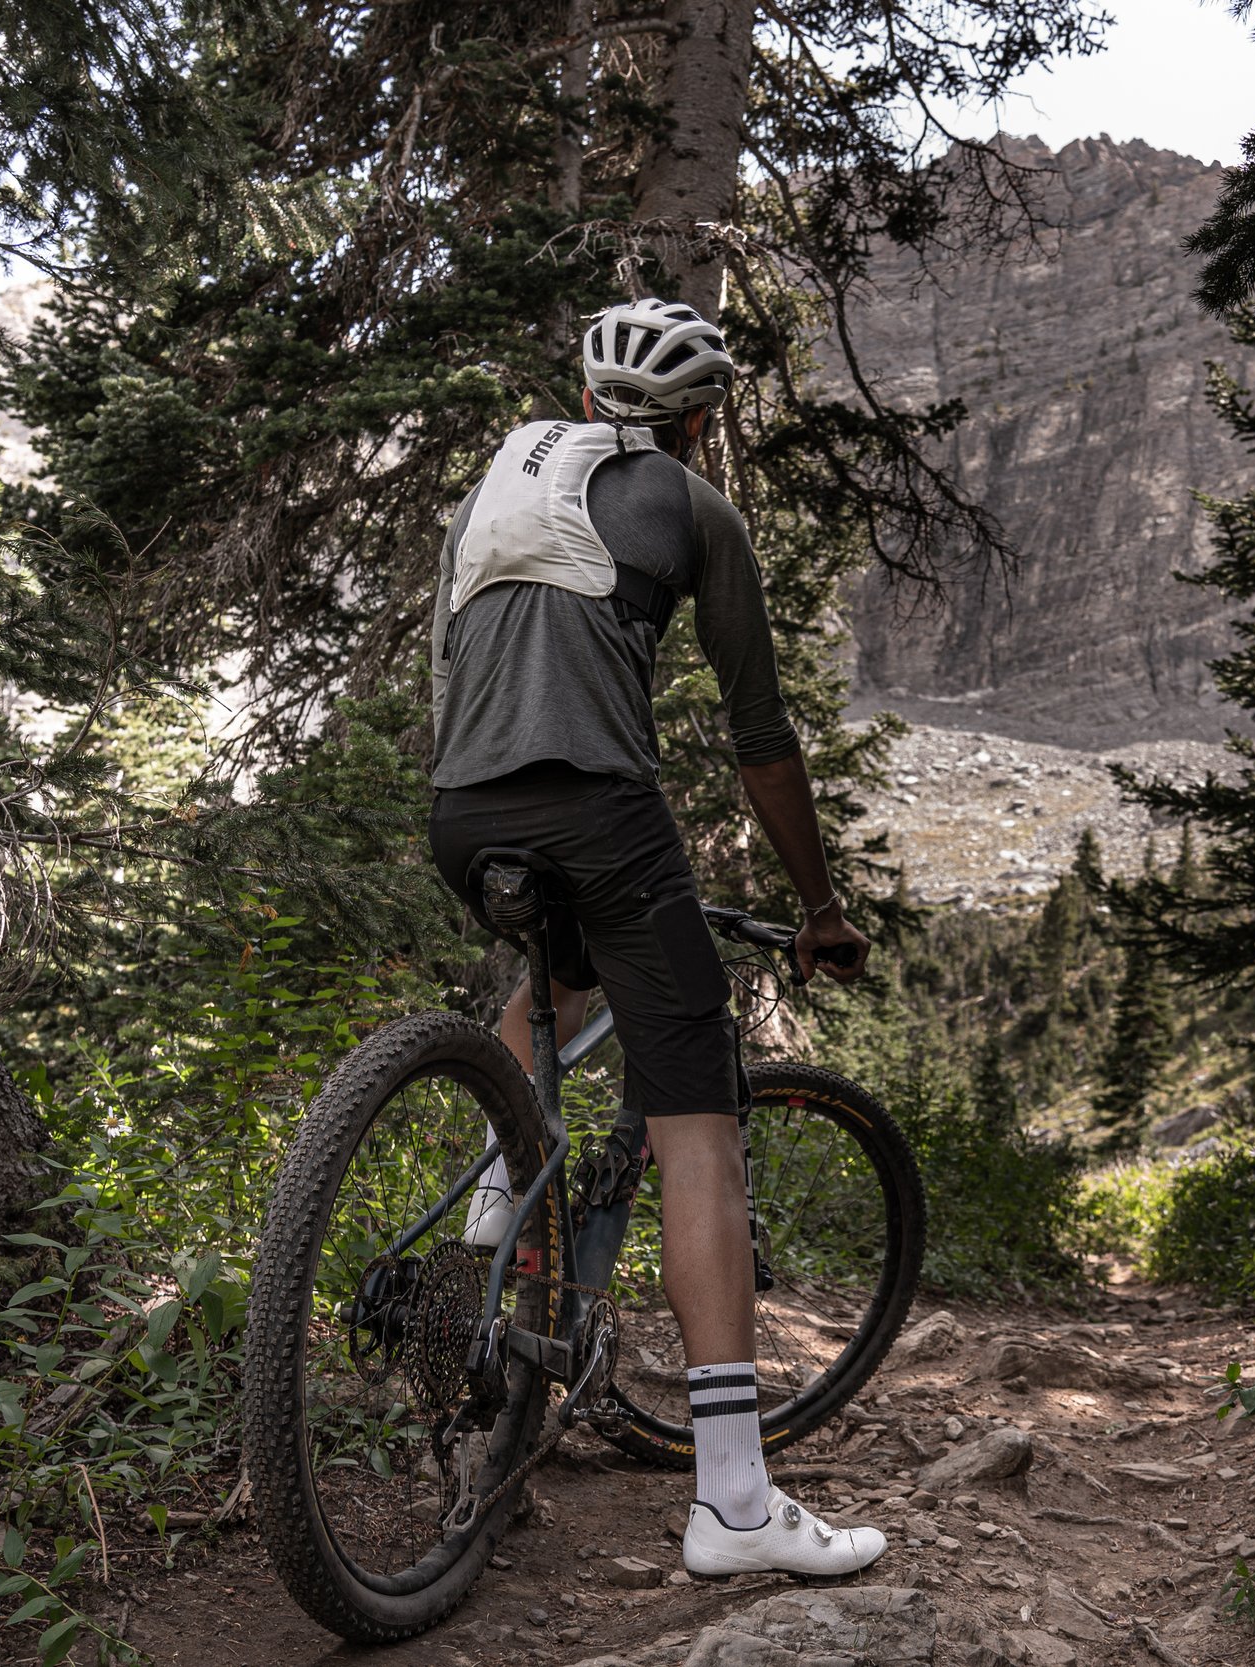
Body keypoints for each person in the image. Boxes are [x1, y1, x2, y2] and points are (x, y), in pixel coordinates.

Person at [425, 298, 883, 1579]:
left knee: (562, 979)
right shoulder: (696, 508)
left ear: (585, 400)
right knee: (699, 1126)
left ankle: (490, 1217)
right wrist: (820, 908)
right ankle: (733, 1500)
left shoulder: (495, 484)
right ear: (695, 422)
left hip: (461, 814)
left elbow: (459, 663)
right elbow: (760, 735)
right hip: (601, 815)